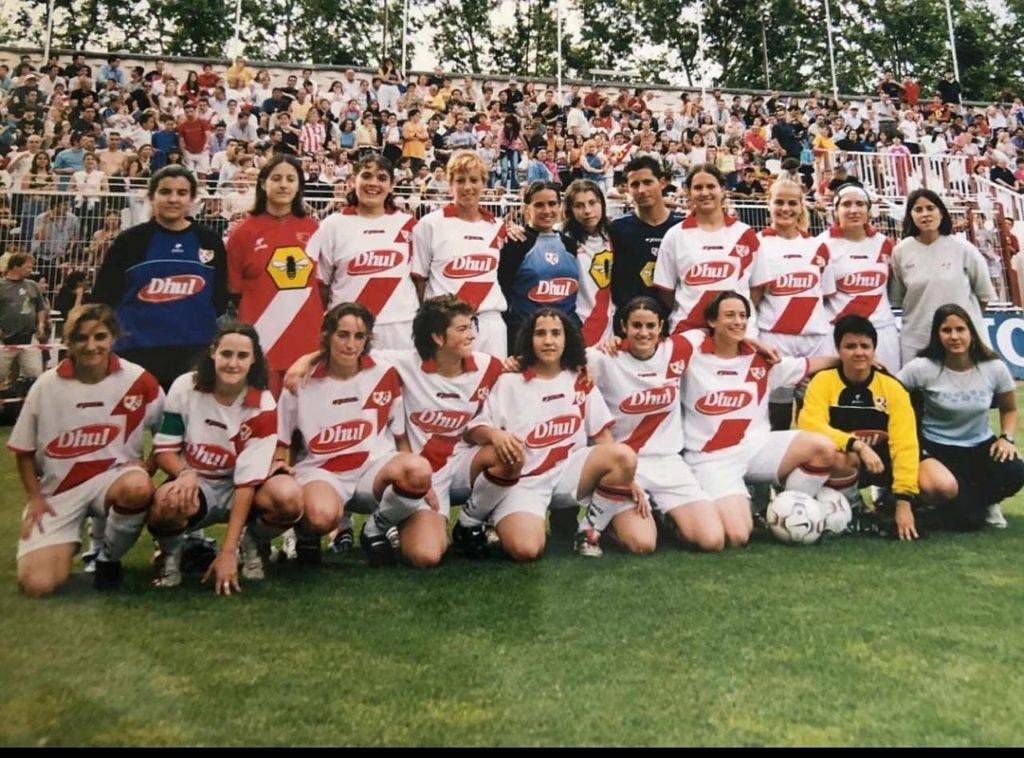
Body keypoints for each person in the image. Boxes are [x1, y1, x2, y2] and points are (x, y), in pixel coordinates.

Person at [452, 308, 647, 560]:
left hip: (569, 474)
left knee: (624, 455)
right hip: (525, 481)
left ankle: (589, 531)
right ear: (528, 340)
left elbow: (603, 440)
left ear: (567, 339)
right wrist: (494, 435)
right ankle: (483, 519)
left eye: (556, 333)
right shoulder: (510, 380)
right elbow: (473, 431)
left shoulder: (580, 378)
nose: (548, 341)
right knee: (525, 550)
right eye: (540, 333)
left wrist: (627, 479)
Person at [10, 304, 163, 596]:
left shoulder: (138, 379)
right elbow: (24, 451)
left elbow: (168, 433)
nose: (91, 346)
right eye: (81, 338)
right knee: (38, 586)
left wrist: (150, 466)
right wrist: (36, 498)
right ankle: (68, 540)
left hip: (114, 479)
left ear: (113, 338)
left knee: (138, 486)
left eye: (100, 337)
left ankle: (108, 559)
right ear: (68, 342)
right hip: (60, 490)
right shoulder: (46, 386)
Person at [275, 303, 433, 566]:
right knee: (321, 517)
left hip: (373, 469)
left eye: (359, 337)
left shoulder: (384, 373)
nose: (351, 344)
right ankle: (305, 533)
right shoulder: (300, 381)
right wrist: (284, 481)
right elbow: (283, 439)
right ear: (327, 336)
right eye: (343, 335)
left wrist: (421, 483)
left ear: (368, 340)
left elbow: (400, 436)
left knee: (418, 470)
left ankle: (376, 528)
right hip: (323, 472)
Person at [675, 291, 836, 548]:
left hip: (757, 448)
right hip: (711, 459)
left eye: (743, 316)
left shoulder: (761, 361)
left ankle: (789, 510)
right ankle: (681, 514)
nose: (738, 321)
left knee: (823, 448)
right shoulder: (692, 355)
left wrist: (851, 359)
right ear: (711, 321)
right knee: (737, 536)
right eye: (729, 315)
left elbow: (808, 364)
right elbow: (665, 343)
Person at [148, 322, 301, 592]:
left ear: (254, 359)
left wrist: (228, 550)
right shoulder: (185, 386)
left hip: (240, 488)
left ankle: (251, 542)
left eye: (242, 356)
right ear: (213, 353)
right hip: (198, 483)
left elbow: (246, 483)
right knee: (167, 501)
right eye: (226, 354)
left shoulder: (263, 404)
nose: (233, 363)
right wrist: (184, 473)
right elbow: (164, 449)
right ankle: (170, 555)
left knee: (288, 497)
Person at [799, 315, 958, 541]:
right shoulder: (823, 381)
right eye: (850, 346)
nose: (859, 352)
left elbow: (904, 444)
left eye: (865, 346)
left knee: (943, 485)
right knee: (840, 456)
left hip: (885, 460)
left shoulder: (892, 387)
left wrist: (904, 499)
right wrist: (857, 445)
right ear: (839, 350)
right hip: (849, 460)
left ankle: (895, 506)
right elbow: (810, 424)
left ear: (874, 349)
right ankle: (854, 510)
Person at [588, 297, 722, 551]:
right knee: (643, 544)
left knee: (712, 539)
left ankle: (667, 519)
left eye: (650, 326)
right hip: (624, 466)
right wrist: (514, 364)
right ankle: (611, 527)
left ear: (661, 326)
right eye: (636, 325)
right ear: (623, 327)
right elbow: (559, 362)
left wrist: (754, 341)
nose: (644, 333)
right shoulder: (604, 357)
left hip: (668, 461)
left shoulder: (678, 348)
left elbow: (723, 329)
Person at [91, 165, 228, 391]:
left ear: (193, 198)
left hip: (194, 351)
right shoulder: (131, 241)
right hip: (136, 351)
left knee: (185, 424)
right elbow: (105, 297)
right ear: (152, 196)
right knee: (130, 423)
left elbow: (220, 296)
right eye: (165, 192)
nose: (173, 199)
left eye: (181, 193)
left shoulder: (209, 241)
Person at [898, 304, 1024, 531]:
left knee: (1015, 471)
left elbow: (1009, 409)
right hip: (936, 447)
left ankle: (985, 503)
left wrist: (1006, 437)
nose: (954, 336)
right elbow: (891, 394)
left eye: (960, 329)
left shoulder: (994, 368)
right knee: (965, 516)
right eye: (946, 330)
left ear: (971, 332)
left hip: (980, 445)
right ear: (937, 335)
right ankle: (935, 502)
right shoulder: (922, 368)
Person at [226, 154, 321, 397]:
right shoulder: (243, 233)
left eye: (291, 179)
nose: (283, 185)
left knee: (303, 427)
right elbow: (234, 292)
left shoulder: (314, 229)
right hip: (261, 342)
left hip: (305, 344)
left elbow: (323, 285)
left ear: (299, 185)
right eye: (276, 178)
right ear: (263, 183)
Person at [749, 178, 836, 431]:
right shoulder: (757, 244)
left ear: (801, 206)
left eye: (791, 203)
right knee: (778, 413)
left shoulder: (818, 245)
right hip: (775, 337)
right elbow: (752, 299)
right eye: (779, 202)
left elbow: (826, 294)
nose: (785, 209)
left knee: (815, 410)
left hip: (815, 338)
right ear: (768, 204)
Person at [307, 154, 417, 350]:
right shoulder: (332, 225)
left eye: (382, 178)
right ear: (353, 180)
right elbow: (321, 284)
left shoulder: (409, 225)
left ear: (392, 186)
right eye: (366, 176)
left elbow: (419, 280)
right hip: (349, 331)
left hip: (401, 328)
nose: (373, 183)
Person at [411, 151, 509, 357]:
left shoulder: (497, 227)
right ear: (450, 184)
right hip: (446, 323)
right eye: (460, 180)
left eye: (474, 180)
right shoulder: (430, 224)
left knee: (492, 386)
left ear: (484, 183)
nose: (467, 187)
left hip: (489, 322)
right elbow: (419, 281)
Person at [889, 189, 995, 364]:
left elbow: (984, 295)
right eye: (918, 209)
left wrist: (962, 323)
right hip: (918, 339)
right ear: (910, 216)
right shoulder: (900, 252)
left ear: (941, 213)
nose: (925, 214)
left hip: (961, 341)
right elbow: (898, 298)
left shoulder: (963, 248)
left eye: (931, 208)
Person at [654, 164, 760, 335]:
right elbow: (666, 292)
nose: (704, 193)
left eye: (711, 186)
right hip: (688, 332)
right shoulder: (675, 235)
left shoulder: (745, 234)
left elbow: (757, 289)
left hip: (737, 335)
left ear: (723, 190)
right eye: (698, 187)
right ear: (689, 193)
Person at [815, 184, 901, 371]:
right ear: (836, 210)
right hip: (839, 332)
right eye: (846, 205)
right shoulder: (822, 244)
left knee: (886, 390)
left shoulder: (884, 244)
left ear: (869, 210)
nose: (853, 210)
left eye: (860, 204)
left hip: (881, 330)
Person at [497, 180, 580, 349]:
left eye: (552, 204)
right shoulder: (515, 243)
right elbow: (503, 292)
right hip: (525, 336)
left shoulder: (570, 244)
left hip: (564, 335)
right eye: (539, 205)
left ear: (560, 206)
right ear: (527, 208)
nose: (547, 210)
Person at [609, 156, 684, 311]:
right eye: (634, 185)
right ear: (627, 188)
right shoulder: (616, 229)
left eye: (648, 182)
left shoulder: (682, 227)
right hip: (631, 323)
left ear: (662, 183)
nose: (641, 190)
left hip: (675, 320)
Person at [563, 179, 614, 346]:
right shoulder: (561, 238)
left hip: (611, 330)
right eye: (579, 205)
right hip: (576, 327)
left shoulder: (617, 234)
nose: (587, 211)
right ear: (570, 210)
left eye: (592, 203)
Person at [0, 254, 49, 395]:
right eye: (28, 267)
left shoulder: (32, 286)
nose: (31, 270)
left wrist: (40, 324)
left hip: (28, 337)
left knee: (35, 373)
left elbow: (40, 307)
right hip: (5, 339)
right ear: (16, 266)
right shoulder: (1, 286)